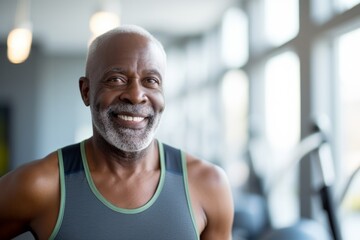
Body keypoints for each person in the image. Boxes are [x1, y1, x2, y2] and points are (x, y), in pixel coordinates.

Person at [0, 25, 234, 240]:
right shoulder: (42, 184)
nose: (135, 95)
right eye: (116, 79)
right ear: (86, 91)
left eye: (151, 81)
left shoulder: (208, 185)